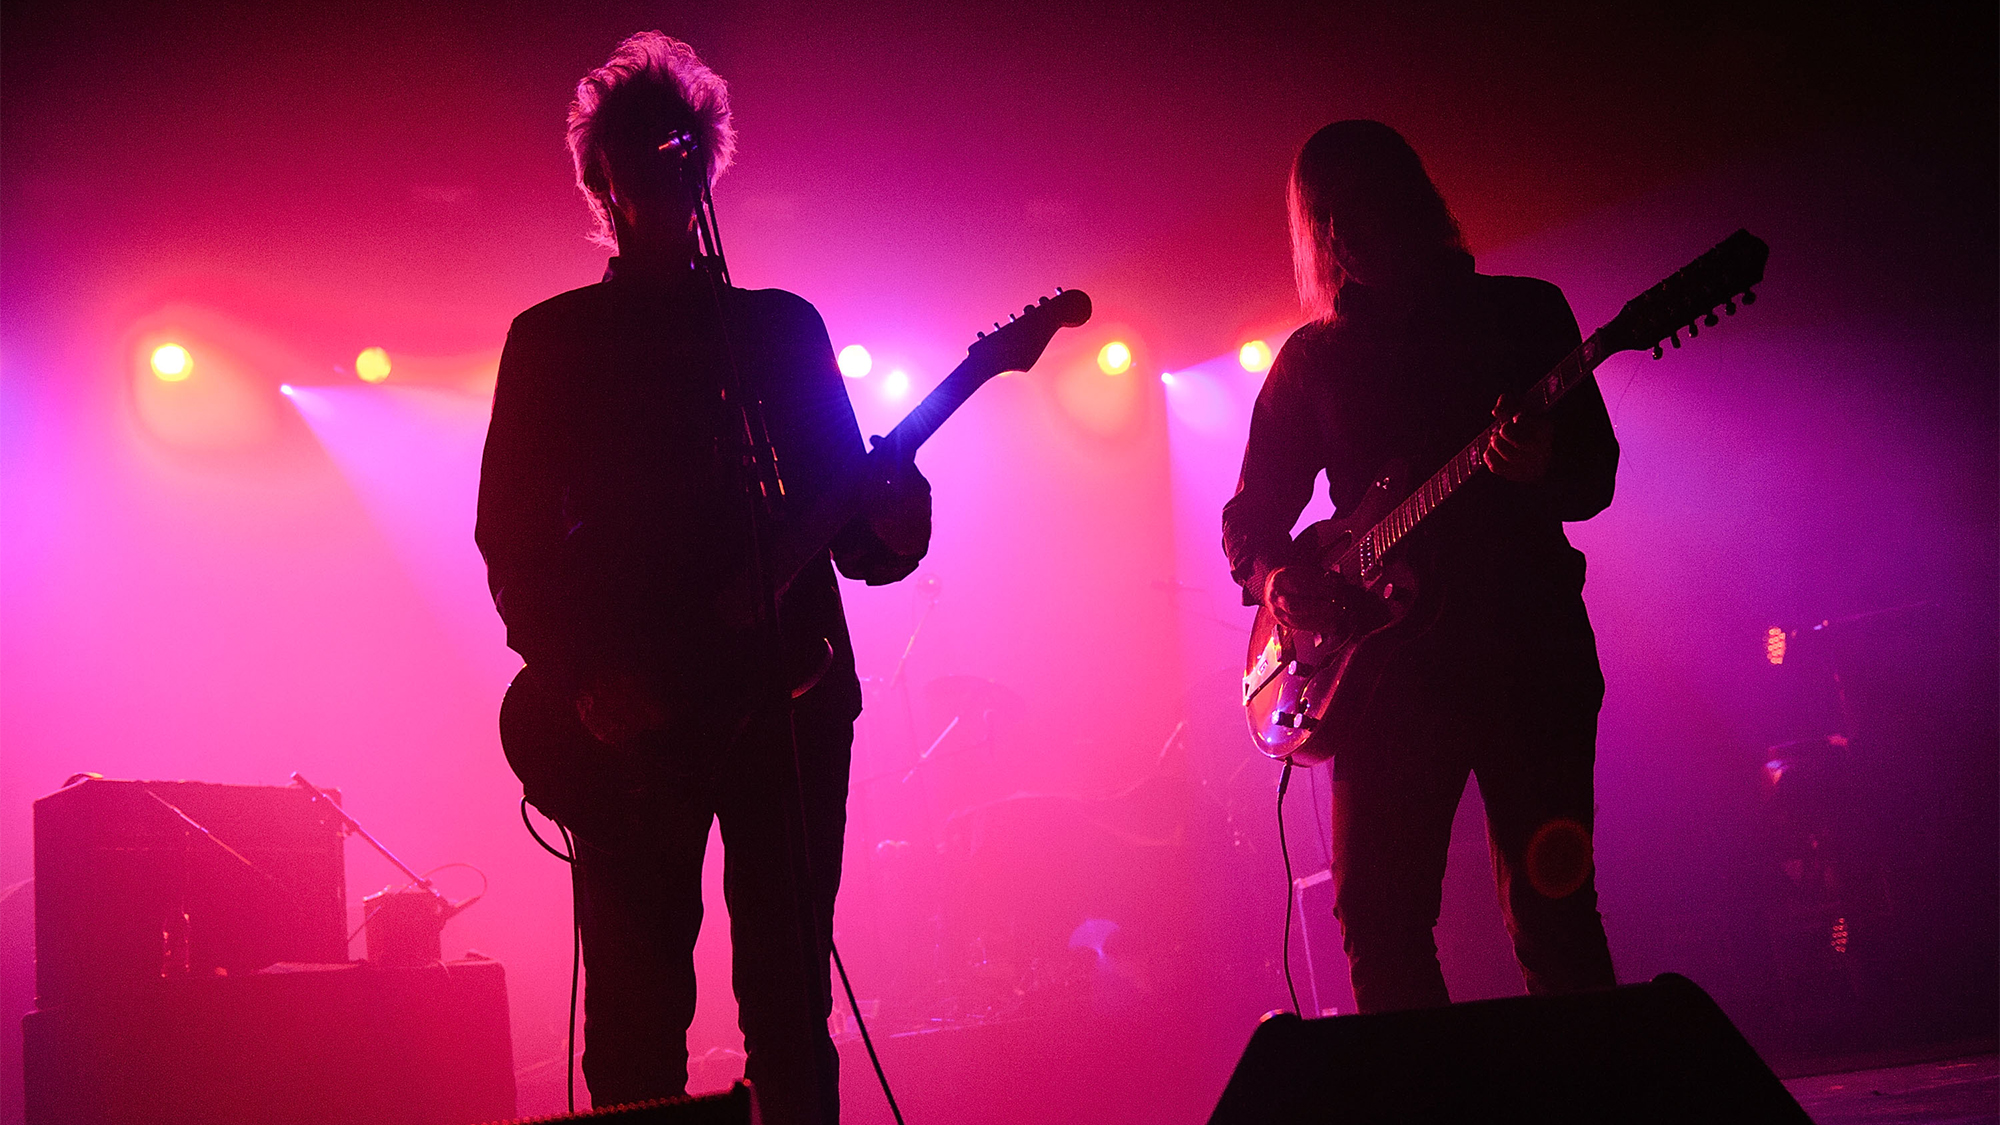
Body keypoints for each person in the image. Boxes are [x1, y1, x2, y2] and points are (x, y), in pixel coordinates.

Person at [475, 32, 931, 1124]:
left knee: (788, 998)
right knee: (637, 1017)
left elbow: (866, 549)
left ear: (708, 167)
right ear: (600, 176)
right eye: (637, 150)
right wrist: (585, 677)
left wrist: (894, 500)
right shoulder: (554, 344)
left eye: (684, 149)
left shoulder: (777, 330)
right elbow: (511, 537)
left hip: (790, 702)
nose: (664, 168)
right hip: (635, 720)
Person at [1222, 120, 1619, 1014]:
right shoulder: (1313, 358)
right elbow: (1251, 515)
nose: (1349, 239)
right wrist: (1278, 579)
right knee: (1379, 920)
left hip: (1527, 650)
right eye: (1329, 224)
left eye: (1363, 213)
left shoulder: (1522, 314)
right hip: (1387, 673)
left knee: (1553, 909)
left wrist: (1541, 460)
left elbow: (1595, 475)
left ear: (1412, 205)